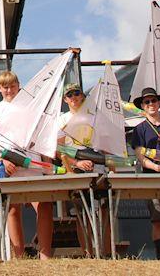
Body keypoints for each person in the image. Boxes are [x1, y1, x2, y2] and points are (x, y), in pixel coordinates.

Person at [0, 71, 54, 259]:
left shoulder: (32, 108)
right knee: (12, 208)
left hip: (33, 166)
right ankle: (18, 257)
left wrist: (48, 166)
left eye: (12, 85)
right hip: (6, 169)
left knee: (44, 204)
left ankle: (45, 256)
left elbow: (43, 139)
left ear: (19, 85)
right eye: (5, 86)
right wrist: (0, 161)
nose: (9, 90)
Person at [57, 83, 111, 257]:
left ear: (82, 96)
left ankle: (106, 253)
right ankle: (87, 253)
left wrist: (112, 167)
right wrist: (77, 164)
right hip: (77, 171)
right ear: (65, 99)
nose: (73, 98)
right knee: (82, 214)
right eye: (69, 95)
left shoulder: (95, 117)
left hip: (99, 169)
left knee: (104, 212)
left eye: (76, 93)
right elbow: (59, 150)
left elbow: (106, 145)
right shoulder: (62, 120)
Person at [130, 87, 160, 260]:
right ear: (143, 106)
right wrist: (157, 168)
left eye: (153, 100)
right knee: (158, 219)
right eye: (147, 101)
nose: (151, 104)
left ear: (159, 103)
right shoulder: (140, 129)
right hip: (153, 178)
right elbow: (139, 156)